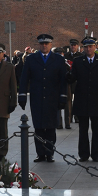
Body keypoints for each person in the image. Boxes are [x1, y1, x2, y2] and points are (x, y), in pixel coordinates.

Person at [18, 33, 68, 163]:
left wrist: (63, 97)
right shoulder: (31, 59)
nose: (44, 46)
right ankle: (40, 153)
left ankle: (49, 153)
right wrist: (22, 95)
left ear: (51, 45)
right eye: (42, 44)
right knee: (39, 127)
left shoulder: (58, 59)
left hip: (52, 98)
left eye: (46, 44)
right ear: (39, 45)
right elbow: (24, 78)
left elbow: (63, 80)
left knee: (51, 127)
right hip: (37, 98)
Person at [68, 37, 98, 162]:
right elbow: (72, 78)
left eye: (91, 46)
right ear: (83, 48)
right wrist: (67, 75)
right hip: (82, 100)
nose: (88, 49)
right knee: (83, 129)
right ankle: (83, 154)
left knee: (96, 128)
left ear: (95, 47)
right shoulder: (78, 61)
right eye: (86, 47)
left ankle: (95, 153)